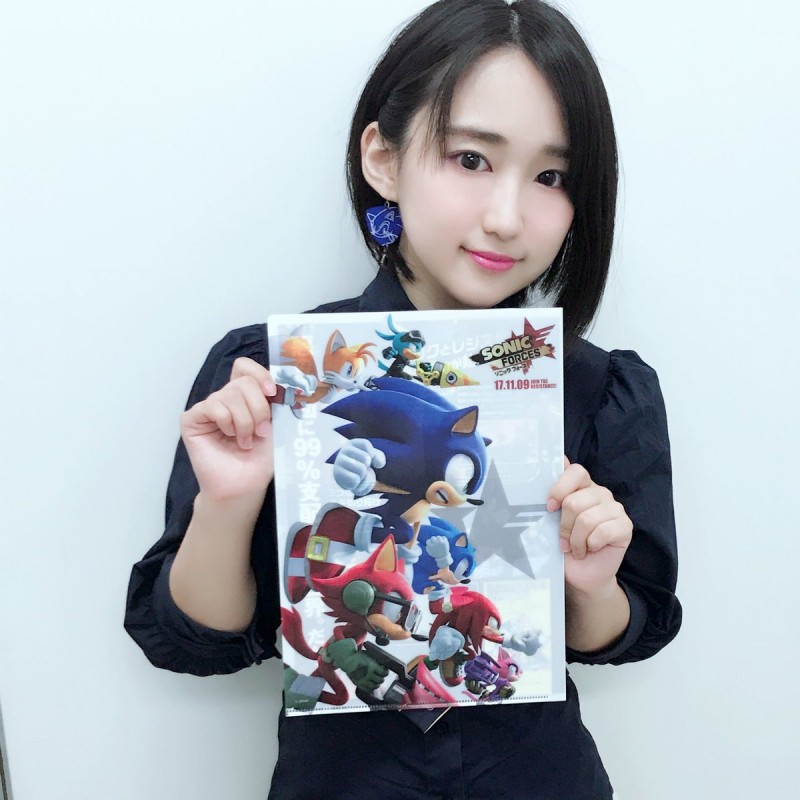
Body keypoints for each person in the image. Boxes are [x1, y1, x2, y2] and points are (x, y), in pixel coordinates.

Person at [125, 1, 681, 798]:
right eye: (471, 158)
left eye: (551, 176)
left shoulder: (601, 389)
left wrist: (591, 587)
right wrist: (229, 503)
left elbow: (627, 632)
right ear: (383, 159)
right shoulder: (271, 376)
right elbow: (193, 643)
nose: (507, 217)